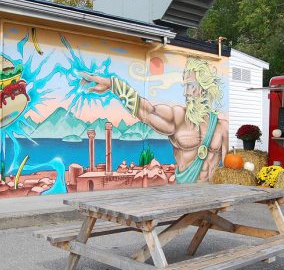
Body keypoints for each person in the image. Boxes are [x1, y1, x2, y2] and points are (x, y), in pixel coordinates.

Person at [79, 57, 228, 183]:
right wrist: (114, 85)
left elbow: (228, 167)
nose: (186, 92)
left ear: (203, 87)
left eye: (190, 85)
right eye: (185, 86)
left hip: (210, 192)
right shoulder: (178, 117)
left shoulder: (221, 126)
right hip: (184, 191)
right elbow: (147, 111)